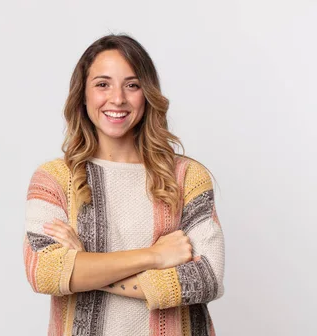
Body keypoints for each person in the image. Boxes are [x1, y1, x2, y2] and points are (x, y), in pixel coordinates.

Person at [23, 34, 225, 336]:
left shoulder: (186, 177)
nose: (117, 98)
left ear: (147, 94)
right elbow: (45, 273)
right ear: (83, 95)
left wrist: (83, 268)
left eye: (132, 85)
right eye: (103, 84)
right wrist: (155, 256)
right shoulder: (54, 178)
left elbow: (207, 278)